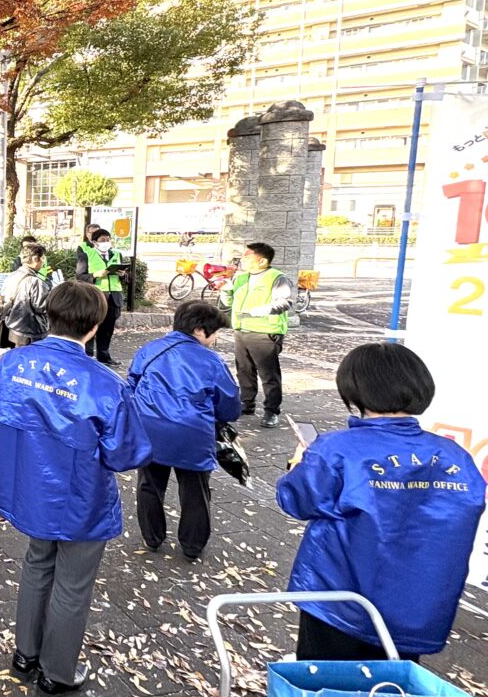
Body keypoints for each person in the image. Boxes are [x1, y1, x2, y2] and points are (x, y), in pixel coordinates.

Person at [0, 281, 152, 694]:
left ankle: (26, 655)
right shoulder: (104, 384)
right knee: (72, 584)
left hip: (28, 487)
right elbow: (126, 452)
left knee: (37, 563)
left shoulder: (12, 364)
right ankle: (56, 672)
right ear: (95, 326)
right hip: (80, 498)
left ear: (50, 314)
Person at [277, 343, 486, 662]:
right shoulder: (456, 457)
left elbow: (296, 499)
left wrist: (299, 463)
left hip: (340, 602)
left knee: (326, 685)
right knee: (392, 687)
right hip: (415, 607)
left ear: (354, 390)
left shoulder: (336, 450)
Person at [128, 301, 240, 560]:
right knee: (195, 491)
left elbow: (131, 386)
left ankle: (152, 537)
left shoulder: (150, 350)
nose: (214, 340)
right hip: (193, 434)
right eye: (214, 333)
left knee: (149, 485)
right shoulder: (211, 361)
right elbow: (230, 405)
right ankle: (192, 545)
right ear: (200, 331)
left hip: (150, 429)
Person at [219, 241, 295, 428]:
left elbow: (284, 302)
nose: (242, 259)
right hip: (241, 330)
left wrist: (259, 311)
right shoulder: (241, 278)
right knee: (244, 370)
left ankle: (271, 411)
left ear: (262, 261)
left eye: (247, 256)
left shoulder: (277, 278)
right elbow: (226, 304)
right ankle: (246, 403)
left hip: (265, 332)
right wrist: (226, 290)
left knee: (268, 375)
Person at [74, 228, 127, 366]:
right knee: (91, 325)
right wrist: (96, 275)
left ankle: (104, 356)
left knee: (108, 328)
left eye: (108, 240)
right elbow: (80, 277)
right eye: (102, 240)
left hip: (113, 296)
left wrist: (123, 275)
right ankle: (88, 355)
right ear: (94, 242)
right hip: (95, 296)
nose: (106, 242)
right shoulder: (86, 255)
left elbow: (127, 278)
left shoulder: (117, 254)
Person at [0, 243, 51, 346]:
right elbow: (43, 307)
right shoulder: (36, 282)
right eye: (43, 258)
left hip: (13, 329)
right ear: (36, 259)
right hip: (32, 333)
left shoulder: (11, 276)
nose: (43, 262)